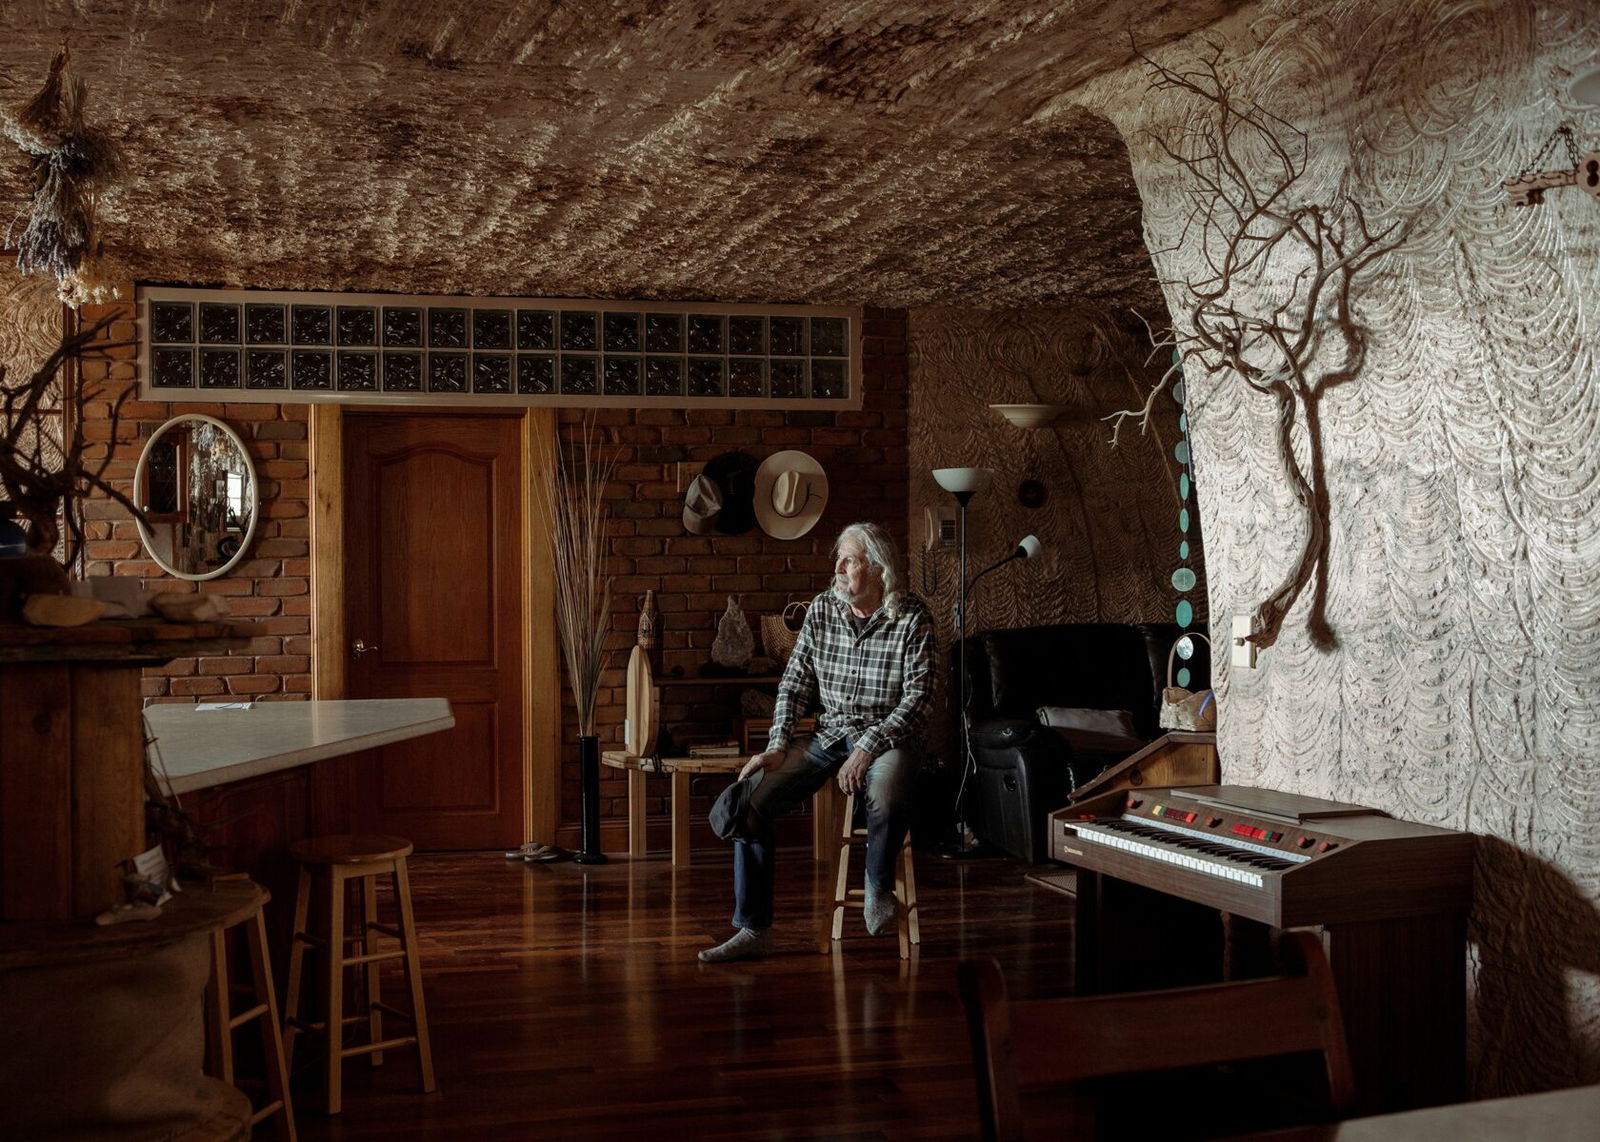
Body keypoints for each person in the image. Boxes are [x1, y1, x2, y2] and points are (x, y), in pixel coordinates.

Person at [698, 521, 934, 963]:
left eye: (850, 560)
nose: (839, 568)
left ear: (879, 568)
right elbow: (794, 683)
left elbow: (919, 699)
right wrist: (777, 742)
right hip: (830, 733)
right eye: (839, 559)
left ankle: (878, 884)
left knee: (885, 786)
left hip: (888, 737)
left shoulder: (913, 617)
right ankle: (754, 929)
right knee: (751, 801)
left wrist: (868, 748)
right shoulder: (824, 608)